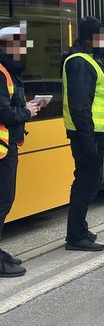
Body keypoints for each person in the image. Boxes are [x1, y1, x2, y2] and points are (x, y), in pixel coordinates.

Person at [62, 17, 104, 252]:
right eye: (100, 37)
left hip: (92, 132)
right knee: (86, 183)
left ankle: (80, 230)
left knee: (87, 181)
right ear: (90, 38)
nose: (103, 42)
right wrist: (87, 141)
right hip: (87, 133)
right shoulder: (81, 62)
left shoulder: (88, 60)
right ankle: (75, 236)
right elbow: (80, 106)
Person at [0, 22, 40, 277]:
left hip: (5, 147)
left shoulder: (6, 71)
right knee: (2, 201)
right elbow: (3, 111)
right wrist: (26, 111)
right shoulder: (1, 73)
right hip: (2, 150)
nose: (22, 53)